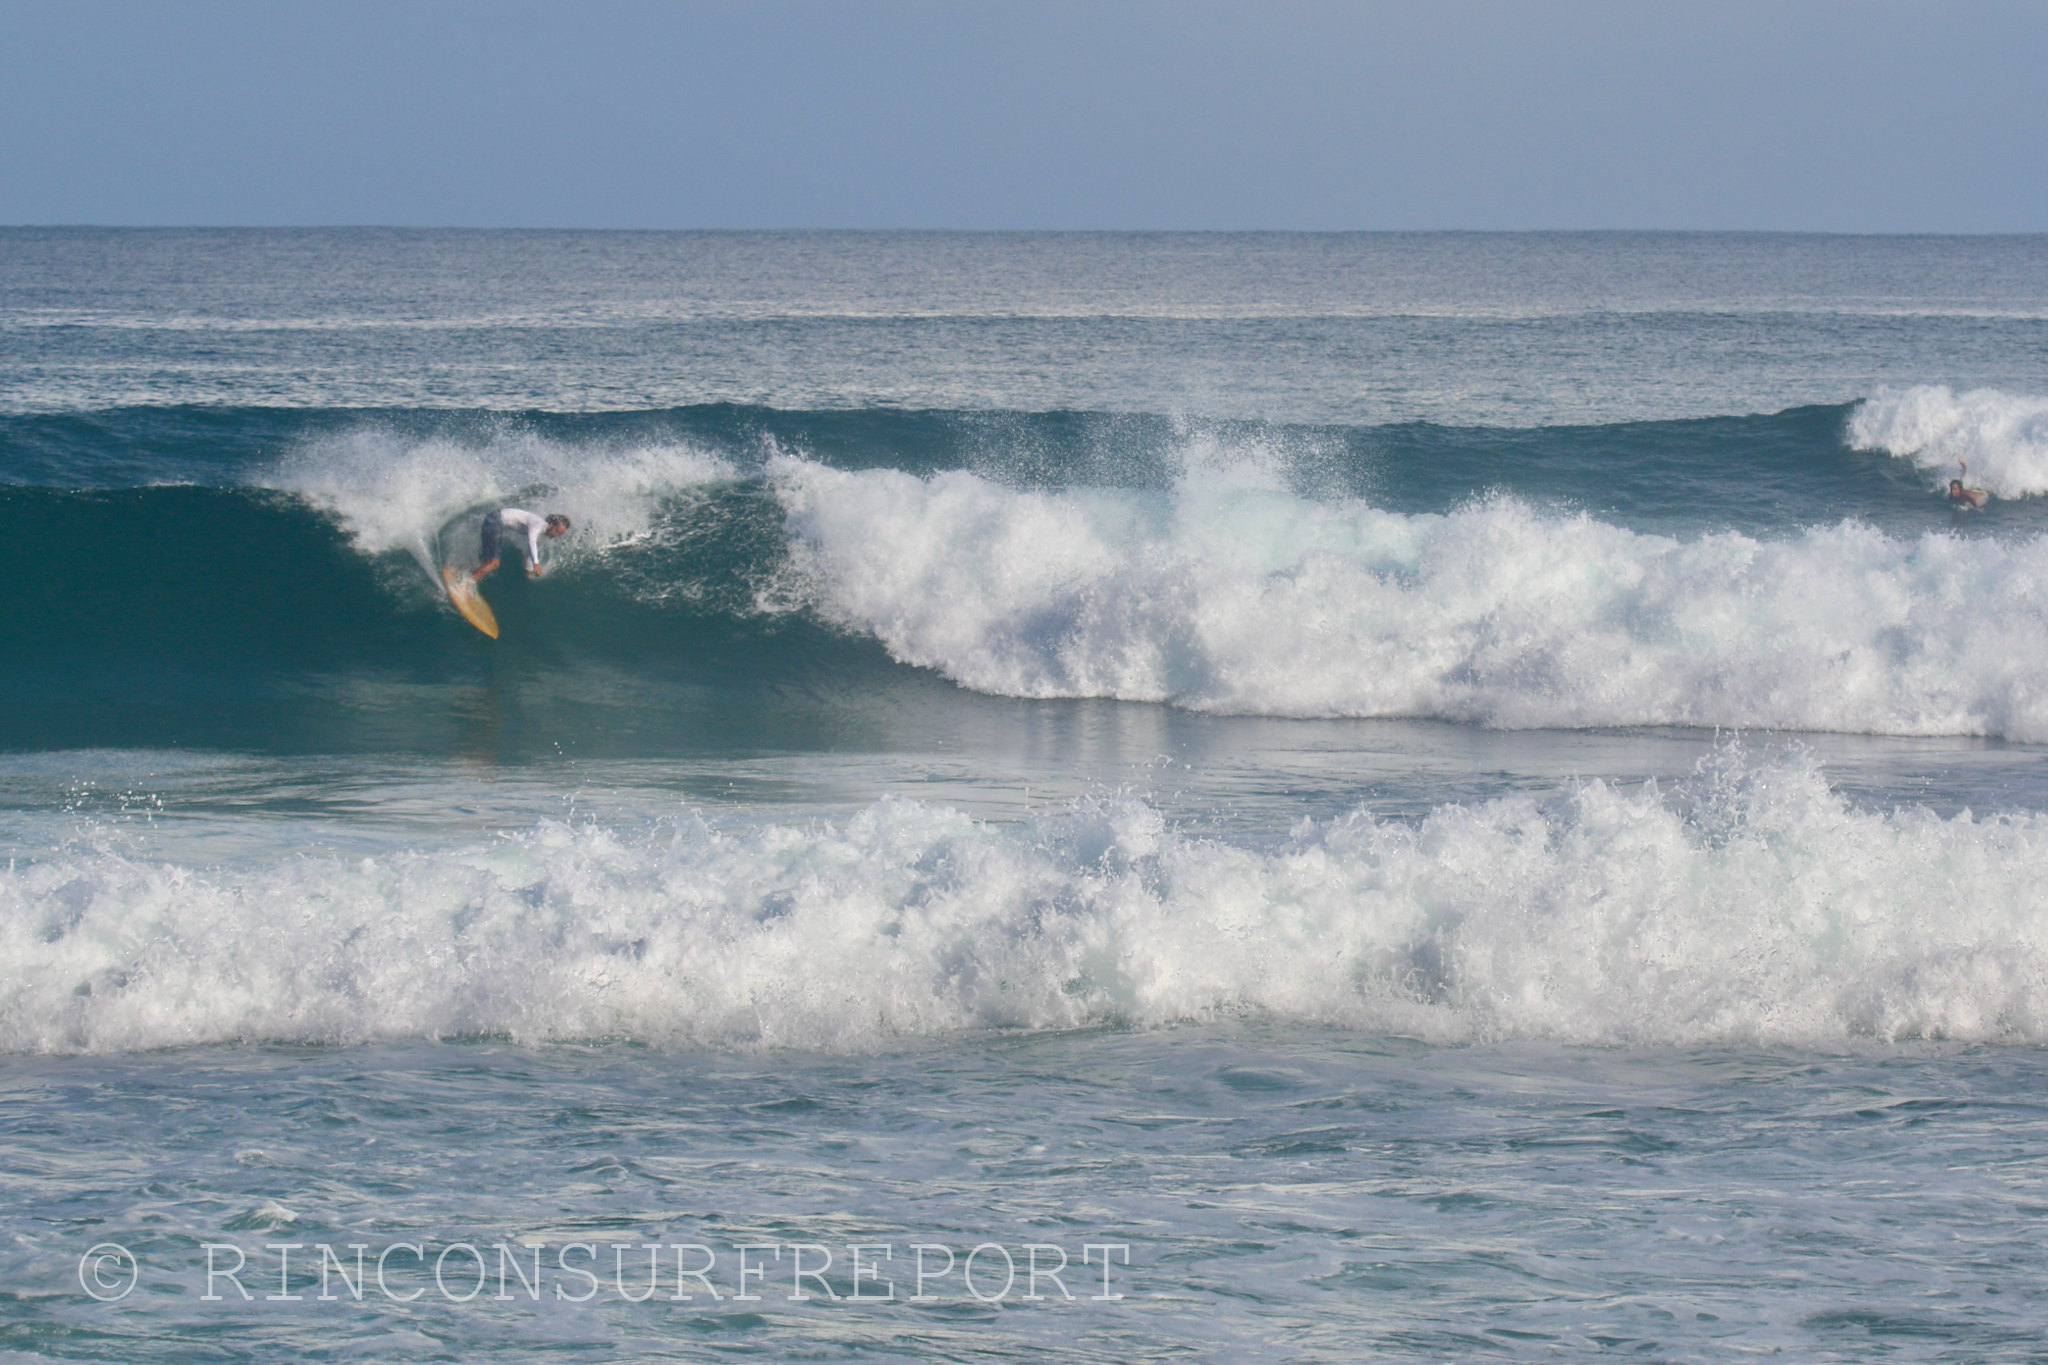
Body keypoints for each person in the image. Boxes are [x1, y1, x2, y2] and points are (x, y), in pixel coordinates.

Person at [472, 508, 570, 582]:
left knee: (485, 560)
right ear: (551, 524)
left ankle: (464, 572)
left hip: (495, 519)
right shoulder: (538, 524)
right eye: (556, 531)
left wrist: (528, 571)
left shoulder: (543, 532)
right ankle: (465, 585)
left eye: (560, 534)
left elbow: (531, 551)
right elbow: (531, 541)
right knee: (494, 563)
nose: (556, 535)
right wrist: (536, 563)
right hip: (496, 520)